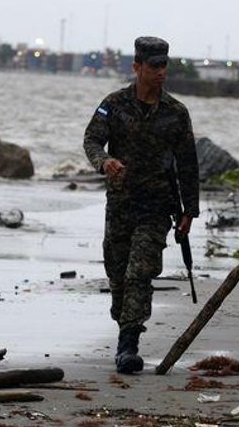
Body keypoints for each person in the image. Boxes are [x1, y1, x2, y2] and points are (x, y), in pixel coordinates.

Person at [83, 36, 200, 374]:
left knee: (140, 273)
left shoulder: (176, 113)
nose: (161, 72)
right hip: (119, 204)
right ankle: (125, 324)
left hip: (157, 207)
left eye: (165, 66)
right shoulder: (114, 104)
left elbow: (188, 163)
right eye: (154, 66)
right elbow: (91, 139)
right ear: (137, 67)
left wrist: (190, 211)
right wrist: (104, 161)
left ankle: (128, 346)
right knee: (118, 276)